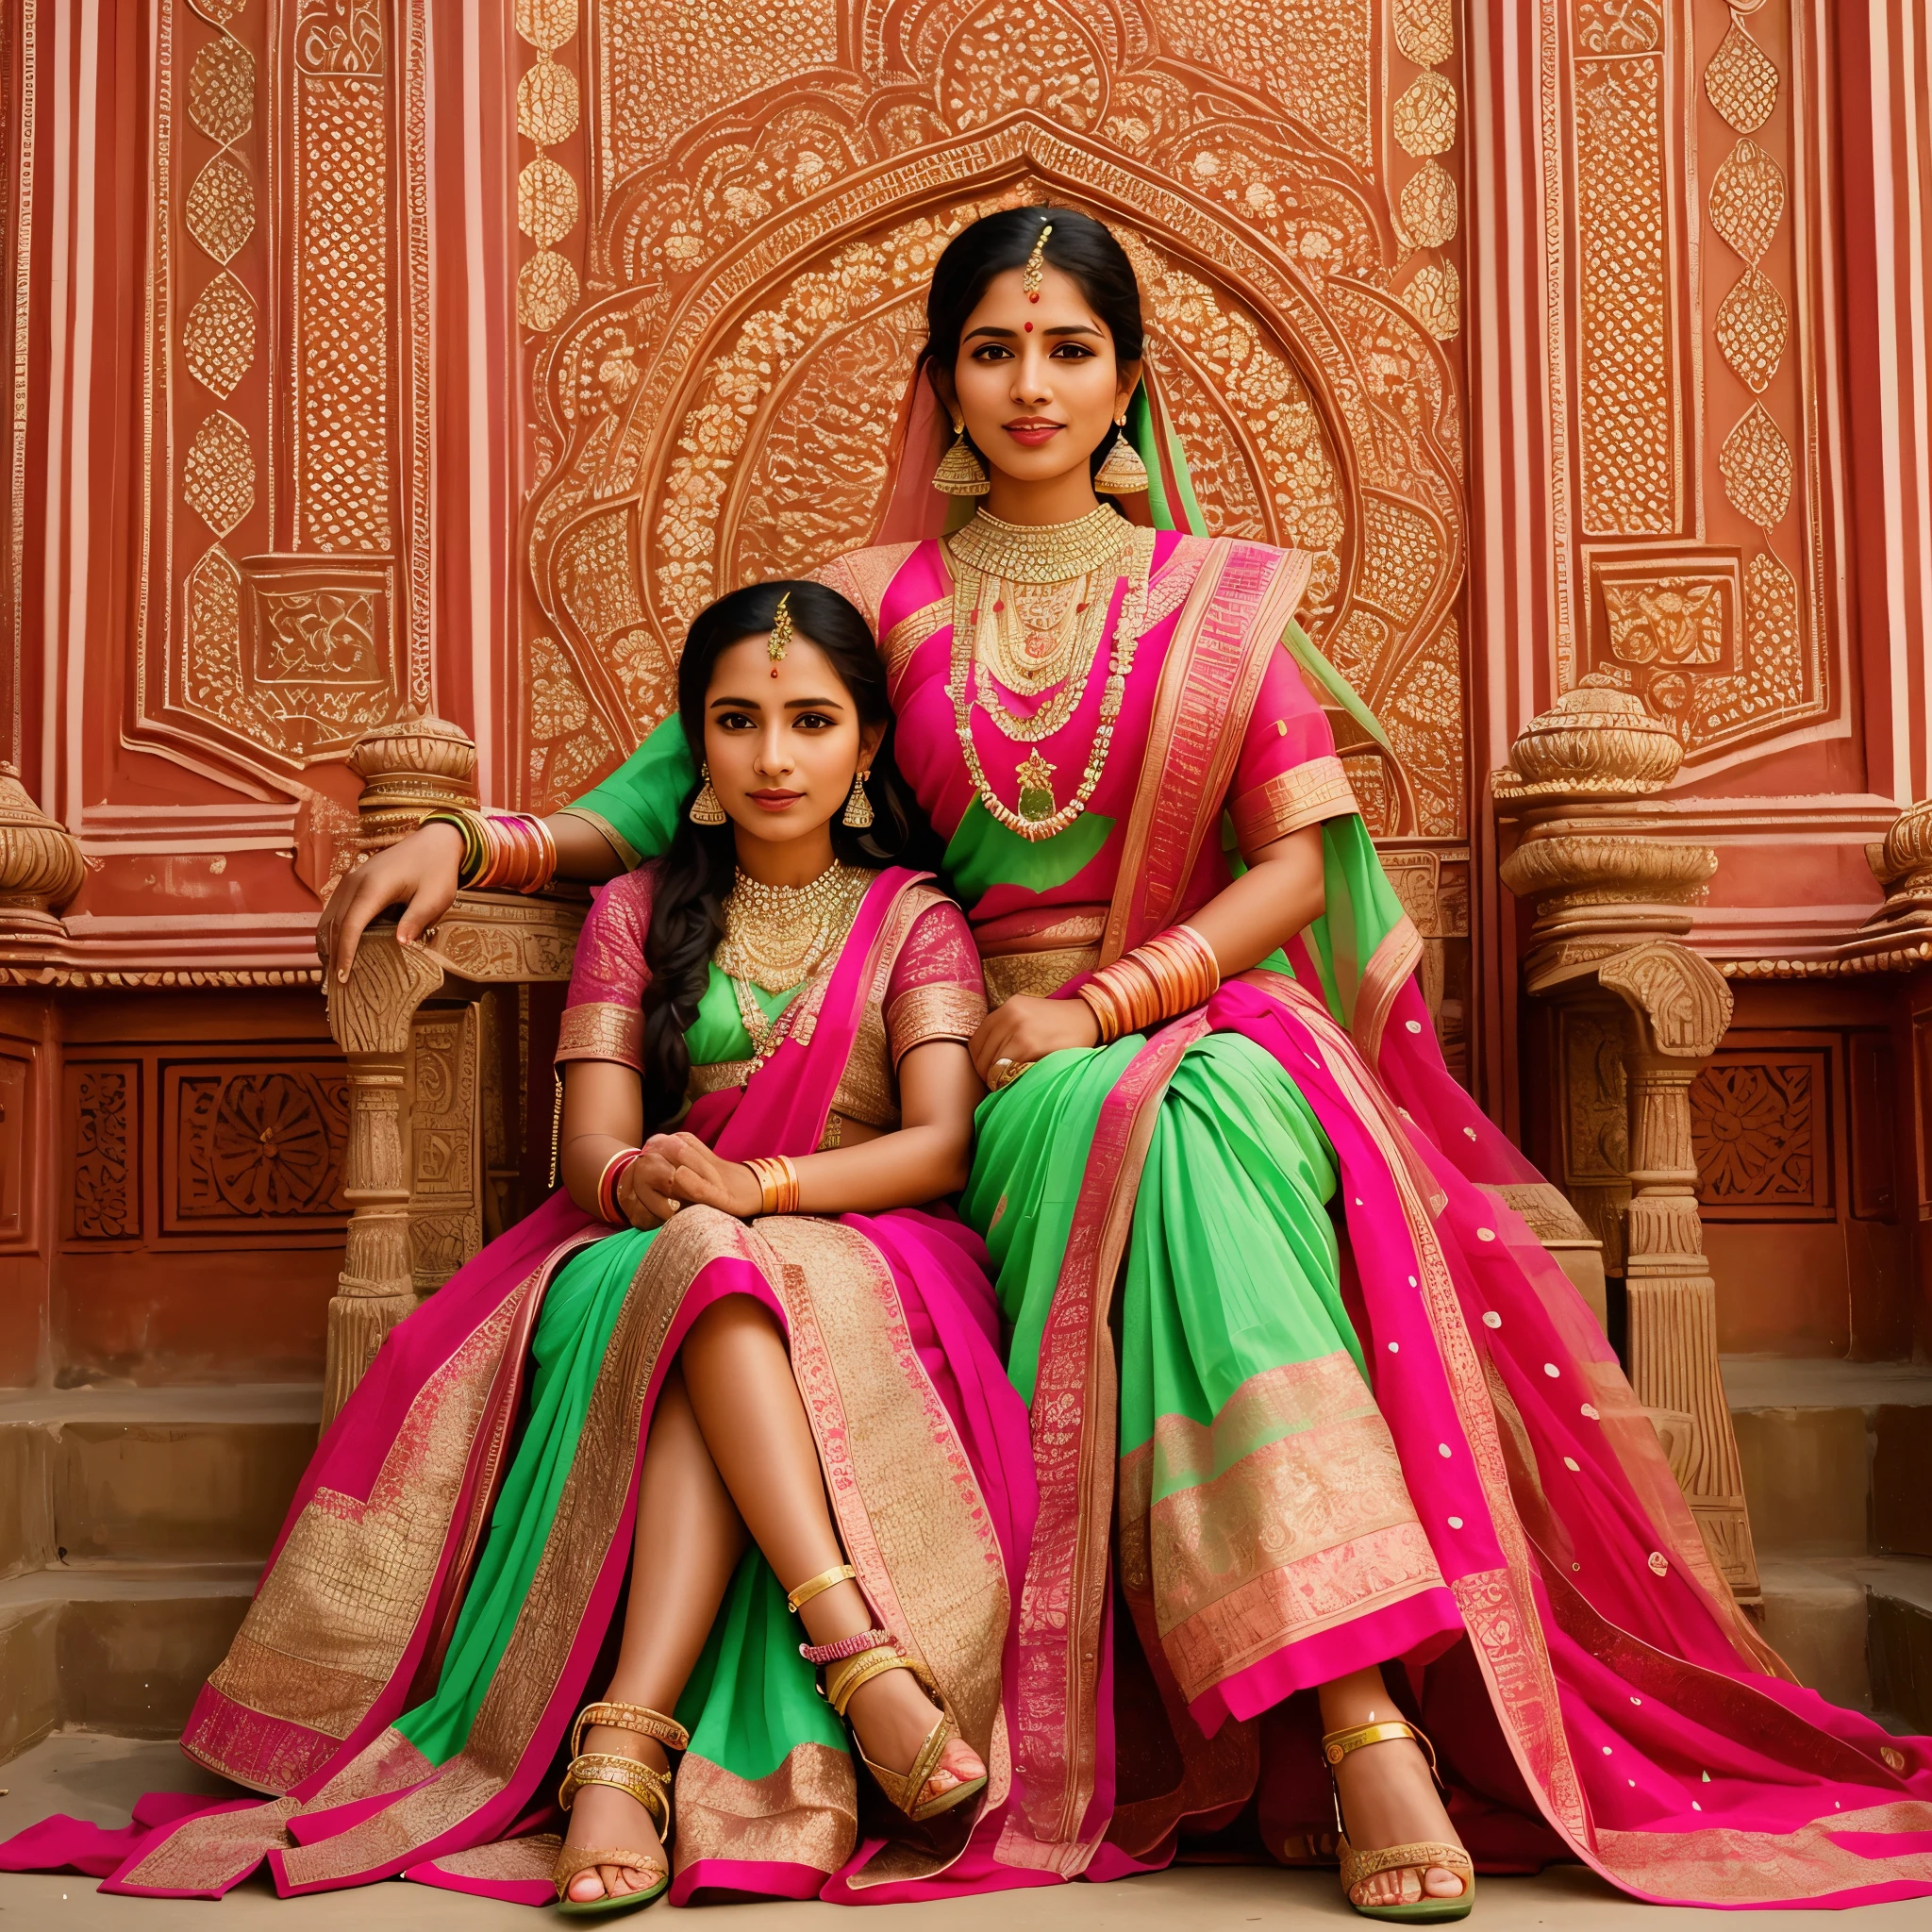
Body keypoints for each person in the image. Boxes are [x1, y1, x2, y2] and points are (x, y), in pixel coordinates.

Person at [315, 208, 1932, 1916]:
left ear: (1129, 379)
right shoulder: (876, 605)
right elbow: (666, 801)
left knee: (1201, 1101)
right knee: (1160, 1123)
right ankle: (1347, 1715)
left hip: (1169, 1017)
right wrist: (471, 848)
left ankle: (1364, 1706)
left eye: (1069, 348)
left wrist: (1109, 1004)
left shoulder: (1216, 603)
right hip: (974, 1068)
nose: (1031, 384)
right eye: (993, 351)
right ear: (940, 384)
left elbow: (1297, 868)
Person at [7, 582, 1037, 1912]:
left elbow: (941, 1144)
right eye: (736, 722)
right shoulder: (635, 911)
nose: (773, 756)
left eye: (809, 721)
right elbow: (589, 1157)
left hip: (864, 1241)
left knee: (724, 1272)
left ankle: (622, 1745)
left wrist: (758, 1183)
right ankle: (854, 1649)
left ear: (865, 749)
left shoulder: (914, 918)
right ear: (697, 749)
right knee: (705, 1268)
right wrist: (652, 1176)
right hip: (639, 1242)